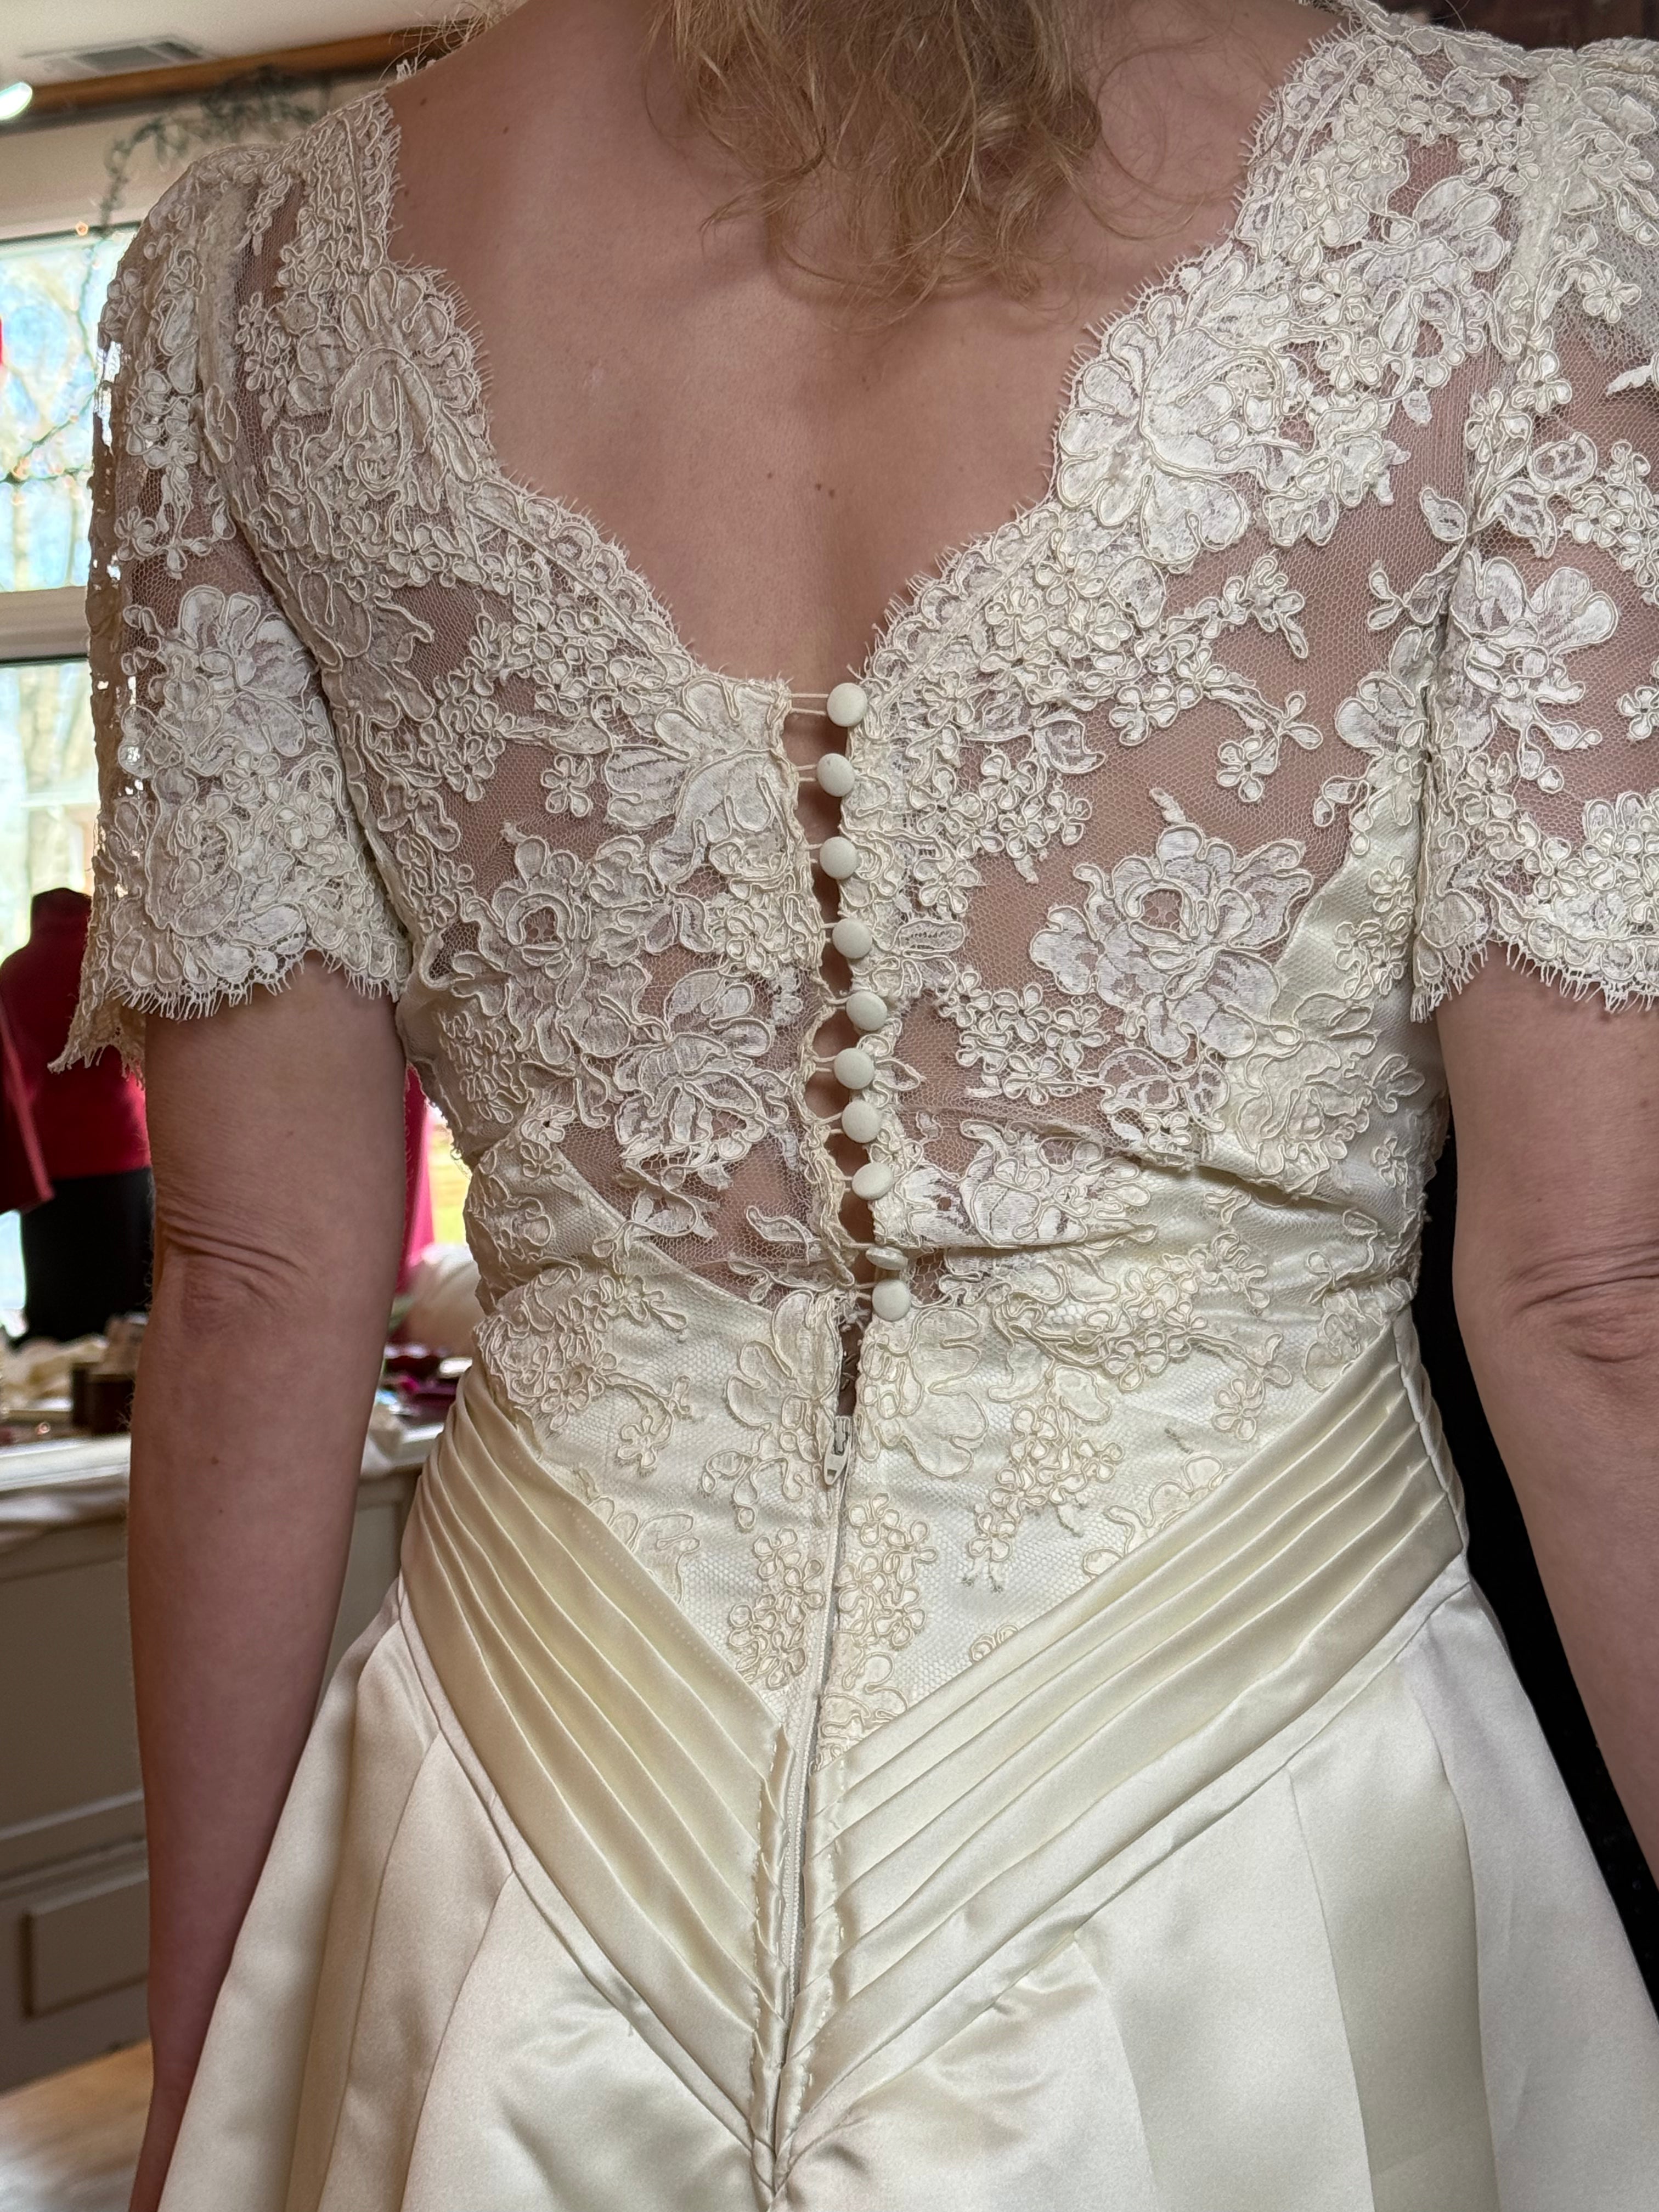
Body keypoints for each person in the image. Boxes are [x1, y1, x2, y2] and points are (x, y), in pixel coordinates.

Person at [58, 0, 1659, 2203]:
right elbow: (1597, 1299)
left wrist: (204, 2075)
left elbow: (253, 1280)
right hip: (1245, 1831)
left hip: (521, 1836)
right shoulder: (1532, 209)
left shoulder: (256, 282)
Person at [2, 886, 150, 1340]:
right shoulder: (116, 962)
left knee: (62, 1290)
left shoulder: (13, 971)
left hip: (49, 1152)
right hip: (121, 1142)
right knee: (128, 1294)